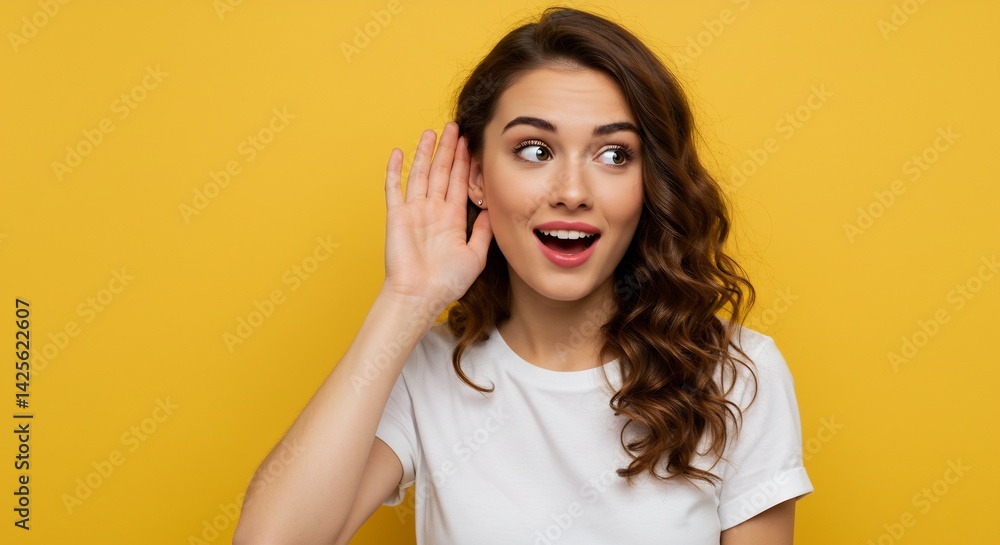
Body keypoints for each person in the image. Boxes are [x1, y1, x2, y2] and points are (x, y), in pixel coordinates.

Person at [233, 6, 813, 545]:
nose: (572, 193)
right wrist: (406, 300)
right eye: (535, 150)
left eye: (613, 155)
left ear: (648, 183)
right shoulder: (427, 374)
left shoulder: (738, 376)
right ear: (477, 177)